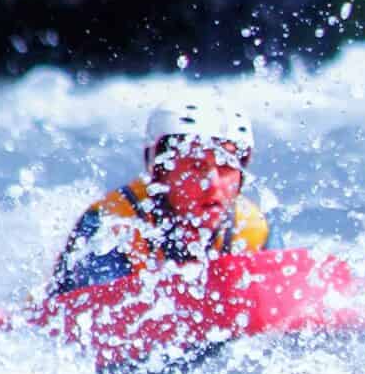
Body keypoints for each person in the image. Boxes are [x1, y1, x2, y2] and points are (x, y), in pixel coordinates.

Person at [49, 102, 267, 295]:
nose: (213, 185)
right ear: (160, 173)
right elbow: (99, 320)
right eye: (196, 166)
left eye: (227, 166)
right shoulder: (113, 223)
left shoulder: (253, 227)